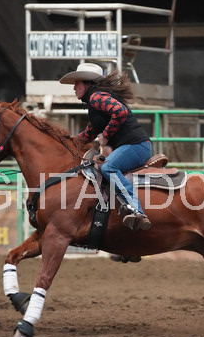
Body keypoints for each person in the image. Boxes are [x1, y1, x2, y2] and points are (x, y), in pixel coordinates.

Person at [60, 63, 153, 231]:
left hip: (136, 146)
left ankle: (136, 209)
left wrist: (106, 135)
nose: (74, 88)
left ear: (87, 83)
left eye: (77, 83)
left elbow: (120, 111)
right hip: (135, 146)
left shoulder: (96, 97)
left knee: (109, 167)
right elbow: (88, 133)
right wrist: (66, 141)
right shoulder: (96, 102)